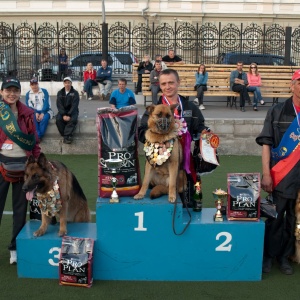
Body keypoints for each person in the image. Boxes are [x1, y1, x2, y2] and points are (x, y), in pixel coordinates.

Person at [138, 68, 211, 207]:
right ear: (160, 85)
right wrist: (155, 141)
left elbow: (200, 127)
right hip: (157, 170)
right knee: (157, 213)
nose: (167, 86)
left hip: (184, 167)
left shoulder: (190, 107)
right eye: (164, 83)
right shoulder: (154, 109)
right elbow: (141, 132)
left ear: (178, 82)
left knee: (187, 208)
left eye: (171, 82)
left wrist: (206, 133)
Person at [256, 69, 300, 275]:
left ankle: (285, 257)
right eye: (299, 82)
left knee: (294, 219)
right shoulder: (277, 111)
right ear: (292, 85)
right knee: (275, 217)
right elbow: (266, 143)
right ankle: (268, 256)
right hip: (282, 175)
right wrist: (266, 173)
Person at [0, 77, 40, 264]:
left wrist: (37, 162)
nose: (11, 93)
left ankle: (14, 248)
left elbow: (34, 141)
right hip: (1, 165)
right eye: (8, 90)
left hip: (23, 168)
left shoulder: (27, 113)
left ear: (19, 93)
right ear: (1, 92)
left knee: (19, 209)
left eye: (15, 90)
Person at [56, 77, 79, 144]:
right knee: (58, 120)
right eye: (66, 83)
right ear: (64, 84)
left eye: (69, 83)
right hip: (62, 111)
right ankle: (67, 135)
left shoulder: (75, 93)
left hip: (72, 111)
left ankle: (66, 137)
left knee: (73, 120)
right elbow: (59, 105)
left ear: (71, 83)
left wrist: (69, 114)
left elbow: (75, 105)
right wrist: (63, 114)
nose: (67, 84)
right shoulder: (60, 93)